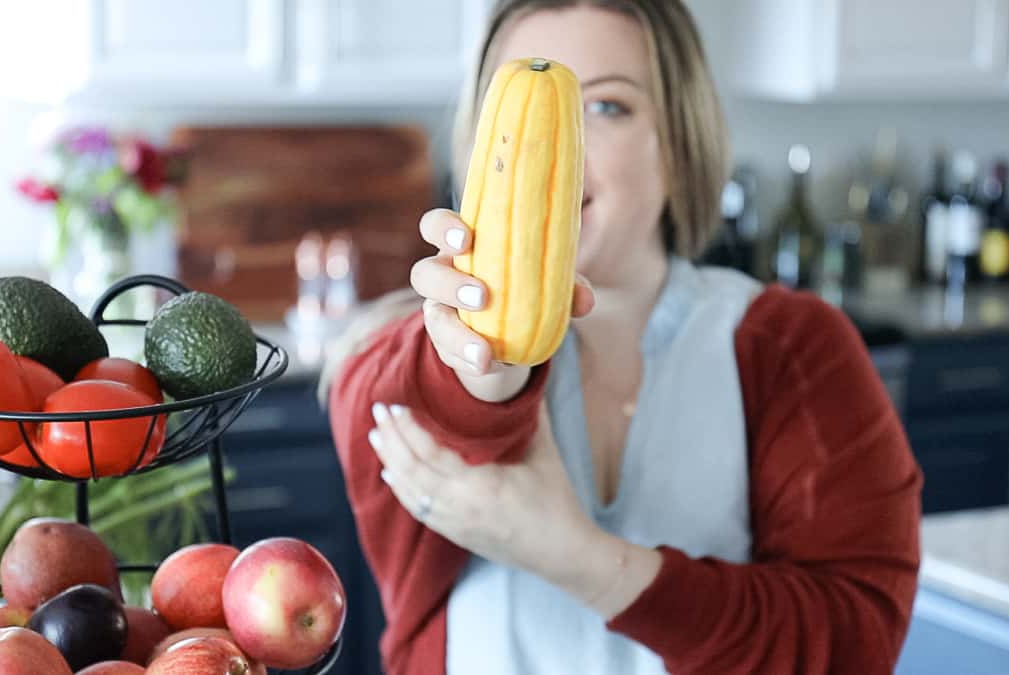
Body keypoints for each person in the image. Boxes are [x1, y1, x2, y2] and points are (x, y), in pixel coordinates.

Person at [321, 1, 924, 673]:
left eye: (606, 107)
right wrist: (485, 371)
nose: (552, 143)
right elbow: (415, 405)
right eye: (520, 106)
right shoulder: (391, 359)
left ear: (678, 138)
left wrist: (577, 556)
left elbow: (855, 640)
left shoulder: (794, 347)